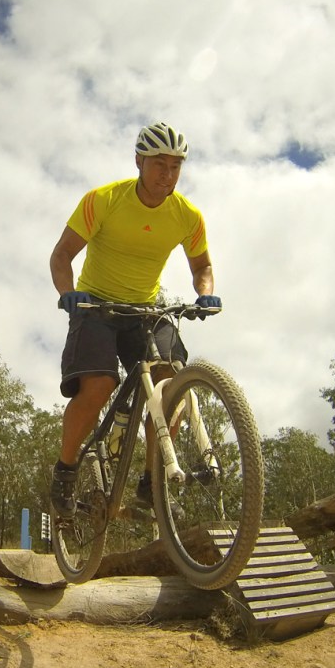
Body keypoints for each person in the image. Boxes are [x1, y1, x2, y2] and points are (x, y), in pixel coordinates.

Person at [49, 121, 221, 519]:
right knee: (99, 385)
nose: (168, 174)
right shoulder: (103, 200)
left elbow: (202, 265)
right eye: (159, 164)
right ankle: (65, 471)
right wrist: (68, 294)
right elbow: (61, 256)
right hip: (95, 308)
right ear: (139, 162)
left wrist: (204, 290)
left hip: (146, 309)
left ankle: (151, 484)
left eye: (175, 166)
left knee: (171, 385)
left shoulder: (187, 215)